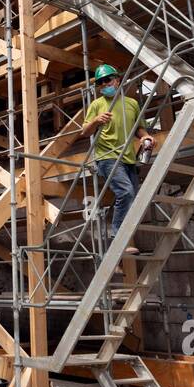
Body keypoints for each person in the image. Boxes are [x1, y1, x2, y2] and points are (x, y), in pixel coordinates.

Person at [82, 64, 155, 254]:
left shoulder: (131, 103)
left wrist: (145, 137)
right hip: (107, 157)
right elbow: (84, 131)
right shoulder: (97, 105)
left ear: (118, 80)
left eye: (108, 80)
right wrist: (96, 121)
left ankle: (122, 242)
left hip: (128, 158)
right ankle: (117, 240)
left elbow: (139, 128)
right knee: (125, 192)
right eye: (100, 83)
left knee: (132, 199)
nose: (104, 84)